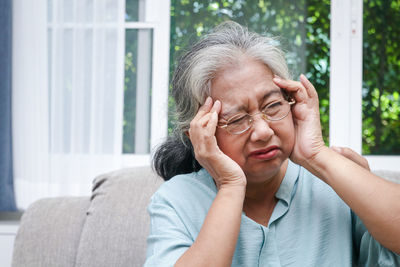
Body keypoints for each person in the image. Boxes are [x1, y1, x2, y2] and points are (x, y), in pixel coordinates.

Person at [145, 21, 400, 266]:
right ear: (199, 134)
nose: (263, 131)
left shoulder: (334, 181)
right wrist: (231, 185)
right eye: (235, 119)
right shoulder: (176, 200)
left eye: (273, 106)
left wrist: (317, 156)